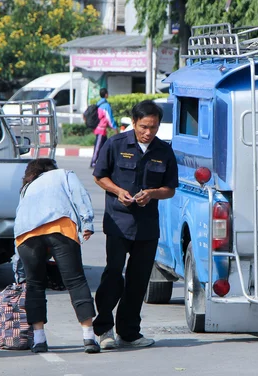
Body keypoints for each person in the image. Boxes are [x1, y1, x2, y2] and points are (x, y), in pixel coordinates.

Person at [92, 100, 178, 349]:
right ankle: (104, 329)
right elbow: (99, 176)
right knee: (112, 276)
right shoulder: (116, 144)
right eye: (143, 127)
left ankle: (129, 332)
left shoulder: (163, 151)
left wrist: (152, 193)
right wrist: (118, 191)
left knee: (138, 280)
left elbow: (170, 189)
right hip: (118, 222)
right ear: (133, 123)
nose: (148, 132)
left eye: (153, 127)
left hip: (147, 226)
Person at [13, 158, 99, 354]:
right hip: (60, 228)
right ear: (51, 168)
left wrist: (17, 268)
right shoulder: (64, 174)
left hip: (26, 236)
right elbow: (81, 196)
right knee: (76, 281)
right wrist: (87, 224)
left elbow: (19, 218)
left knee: (34, 285)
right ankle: (89, 338)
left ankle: (39, 340)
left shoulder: (27, 188)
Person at [91, 88, 118, 168]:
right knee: (98, 147)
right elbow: (109, 118)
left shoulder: (98, 103)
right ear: (106, 94)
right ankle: (93, 162)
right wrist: (114, 128)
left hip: (99, 129)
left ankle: (102, 162)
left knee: (104, 147)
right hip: (101, 130)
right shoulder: (106, 105)